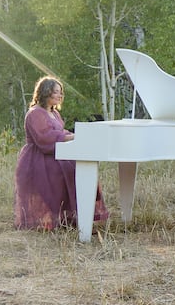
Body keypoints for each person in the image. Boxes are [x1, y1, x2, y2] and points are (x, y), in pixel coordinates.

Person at [14, 76, 109, 230]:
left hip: (56, 153)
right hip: (39, 158)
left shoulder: (54, 113)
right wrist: (73, 136)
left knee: (80, 168)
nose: (60, 96)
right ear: (46, 93)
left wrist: (73, 135)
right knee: (66, 172)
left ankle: (75, 216)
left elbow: (59, 131)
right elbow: (45, 138)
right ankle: (59, 218)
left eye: (61, 92)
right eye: (56, 92)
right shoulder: (35, 113)